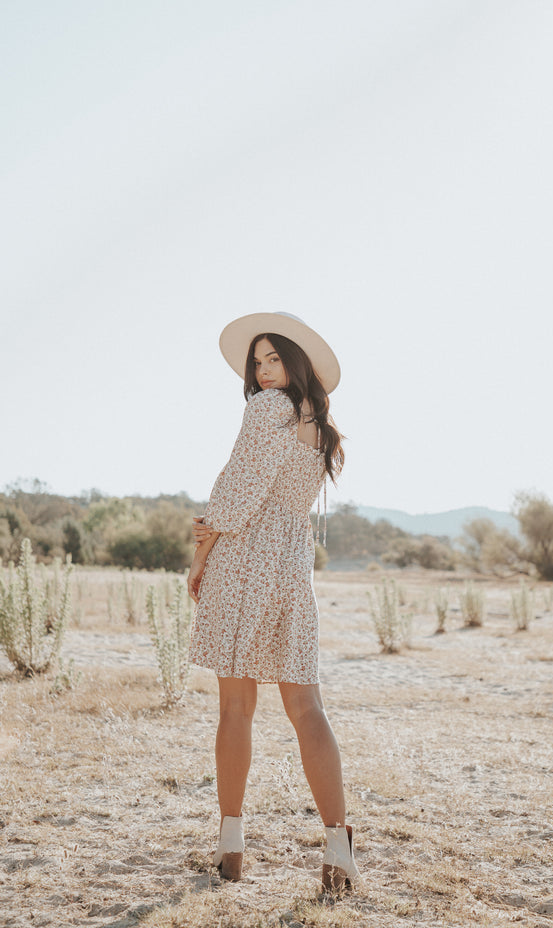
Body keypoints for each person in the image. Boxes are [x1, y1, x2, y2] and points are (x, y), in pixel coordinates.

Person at [187, 311, 360, 892]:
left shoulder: (267, 409)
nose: (262, 372)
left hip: (246, 559)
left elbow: (237, 492)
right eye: (256, 362)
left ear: (296, 363)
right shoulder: (317, 422)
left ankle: (231, 840)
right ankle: (338, 843)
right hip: (291, 565)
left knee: (235, 707)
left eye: (274, 359)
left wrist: (202, 549)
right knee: (307, 708)